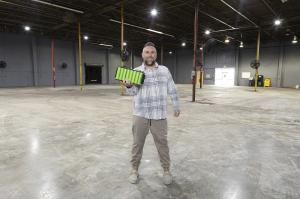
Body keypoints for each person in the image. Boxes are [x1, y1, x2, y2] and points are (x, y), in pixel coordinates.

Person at [120, 42, 180, 185]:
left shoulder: (164, 70)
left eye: (152, 52)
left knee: (162, 144)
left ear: (156, 54)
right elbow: (133, 92)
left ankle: (166, 170)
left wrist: (176, 105)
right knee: (137, 144)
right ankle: (134, 170)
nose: (150, 54)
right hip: (140, 114)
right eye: (147, 52)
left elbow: (172, 89)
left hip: (159, 115)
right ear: (142, 55)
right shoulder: (136, 71)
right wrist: (128, 85)